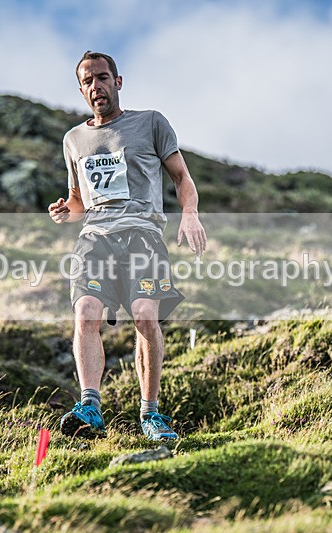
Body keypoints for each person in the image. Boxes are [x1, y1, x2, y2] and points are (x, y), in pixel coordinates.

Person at [48, 51, 207, 441]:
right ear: (81, 90)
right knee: (86, 313)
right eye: (88, 81)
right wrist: (66, 210)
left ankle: (151, 414)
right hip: (95, 240)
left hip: (143, 236)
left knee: (144, 317)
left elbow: (181, 177)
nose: (96, 86)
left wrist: (189, 213)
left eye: (102, 78)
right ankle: (89, 406)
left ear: (118, 82)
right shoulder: (73, 141)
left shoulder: (150, 123)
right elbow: (79, 202)